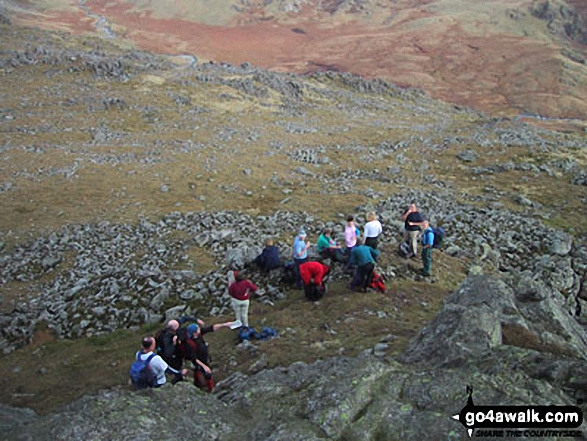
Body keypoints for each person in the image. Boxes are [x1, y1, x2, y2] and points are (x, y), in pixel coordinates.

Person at [183, 321, 235, 392]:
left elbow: (212, 328)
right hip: (199, 362)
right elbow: (194, 358)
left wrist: (224, 325)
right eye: (198, 328)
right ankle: (211, 389)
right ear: (194, 333)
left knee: (199, 371)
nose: (199, 329)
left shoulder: (199, 334)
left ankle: (198, 383)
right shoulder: (190, 344)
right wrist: (204, 366)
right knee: (207, 374)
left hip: (204, 359)